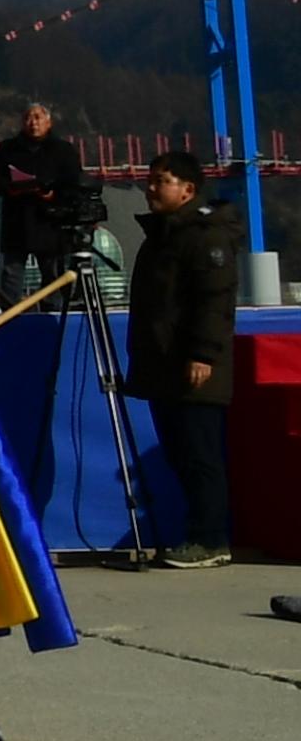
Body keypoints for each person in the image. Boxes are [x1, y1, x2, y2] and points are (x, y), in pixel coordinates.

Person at [125, 149, 239, 570]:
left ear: (188, 189)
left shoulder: (206, 236)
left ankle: (211, 539)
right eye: (150, 180)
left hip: (195, 367)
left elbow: (214, 302)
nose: (151, 188)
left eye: (162, 181)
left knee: (200, 455)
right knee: (179, 453)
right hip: (164, 366)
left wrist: (203, 355)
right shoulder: (162, 237)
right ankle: (196, 533)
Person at [0, 102, 89, 299]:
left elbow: (74, 180)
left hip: (50, 221)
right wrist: (9, 188)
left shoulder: (63, 150)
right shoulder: (8, 149)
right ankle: (11, 317)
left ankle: (52, 315)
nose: (33, 123)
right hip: (17, 220)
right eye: (28, 118)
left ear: (48, 122)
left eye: (38, 118)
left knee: (52, 275)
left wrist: (54, 194)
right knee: (12, 275)